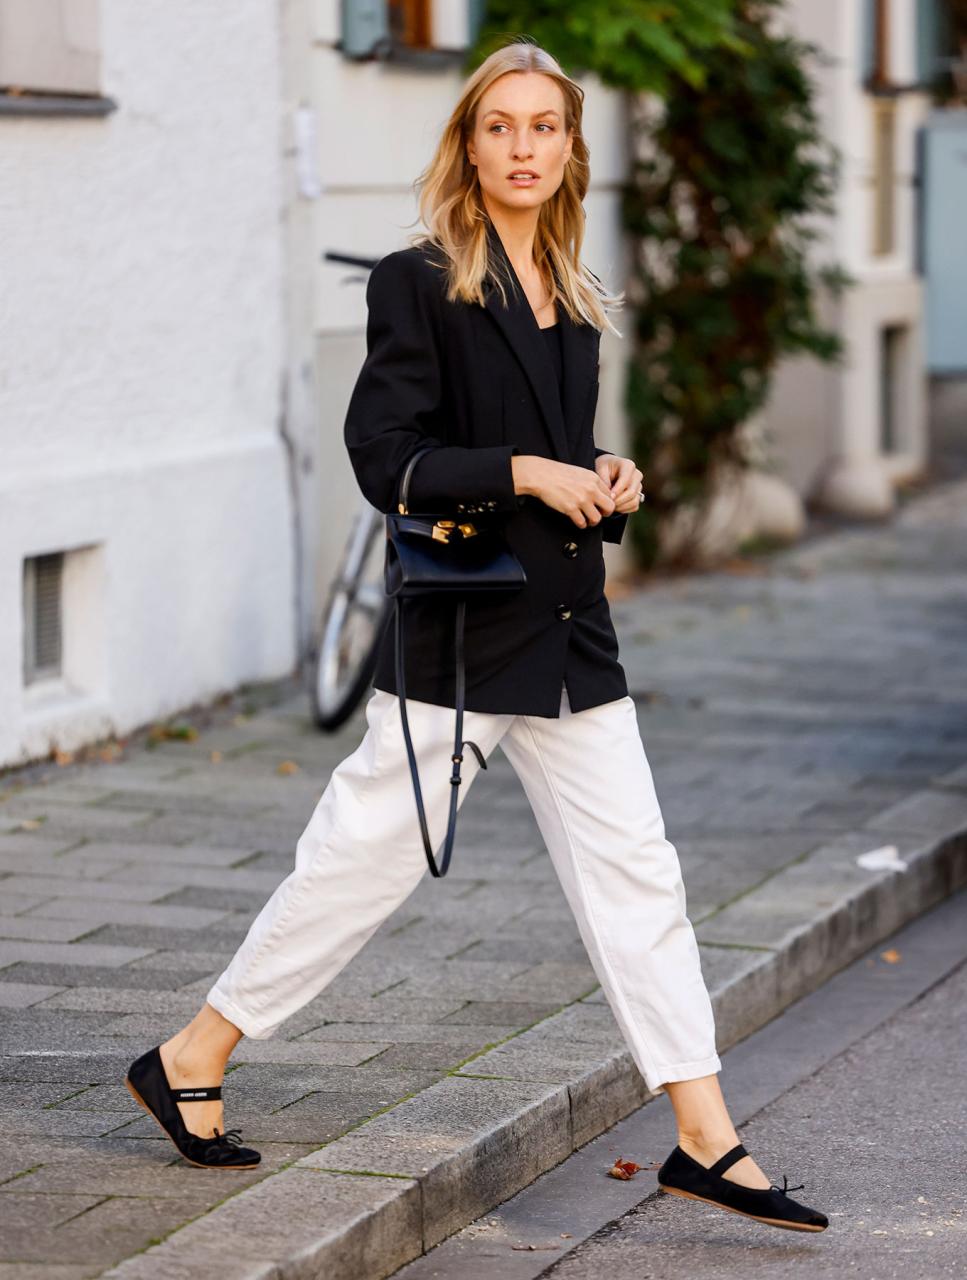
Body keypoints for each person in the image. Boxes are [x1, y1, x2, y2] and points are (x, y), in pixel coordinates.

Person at [124, 39, 827, 1233]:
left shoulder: (575, 294)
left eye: (543, 127)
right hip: (465, 636)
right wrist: (527, 471)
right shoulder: (418, 280)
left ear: (571, 145)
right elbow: (386, 458)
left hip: (569, 630)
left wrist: (602, 472)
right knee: (357, 865)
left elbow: (560, 450)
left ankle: (706, 1138)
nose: (522, 147)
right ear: (468, 141)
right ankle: (193, 1050)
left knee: (637, 879)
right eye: (499, 126)